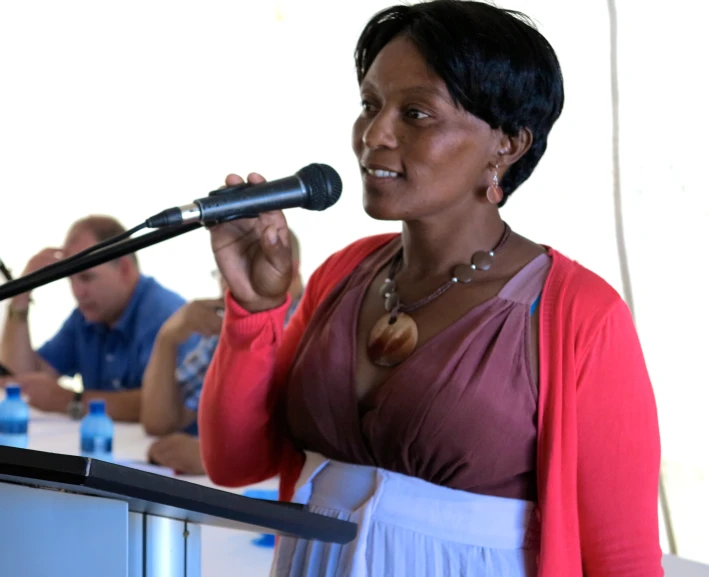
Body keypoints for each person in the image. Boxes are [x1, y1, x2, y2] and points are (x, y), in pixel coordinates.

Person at [198, 2, 662, 576]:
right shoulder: (342, 275)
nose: (374, 133)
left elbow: (623, 560)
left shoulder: (581, 315)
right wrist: (255, 311)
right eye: (369, 105)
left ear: (507, 144)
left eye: (415, 113)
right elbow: (234, 463)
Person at [0, 215, 198, 421]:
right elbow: (19, 380)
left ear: (124, 269)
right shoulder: (87, 316)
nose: (77, 291)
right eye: (71, 280)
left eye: (86, 277)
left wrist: (70, 400)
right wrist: (21, 296)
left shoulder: (166, 315)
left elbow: (166, 408)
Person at [140, 230, 303, 475]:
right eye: (224, 272)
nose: (229, 286)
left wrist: (213, 458)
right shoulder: (236, 322)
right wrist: (167, 339)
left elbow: (322, 447)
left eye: (242, 270)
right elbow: (160, 423)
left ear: (288, 268)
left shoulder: (318, 325)